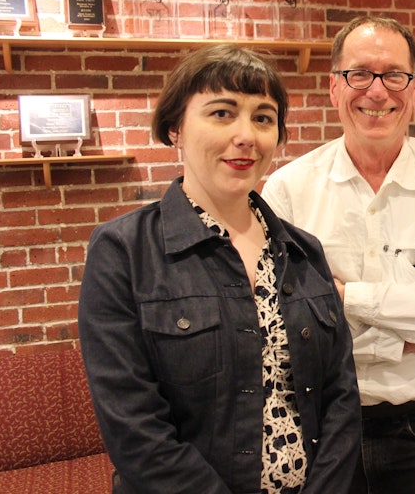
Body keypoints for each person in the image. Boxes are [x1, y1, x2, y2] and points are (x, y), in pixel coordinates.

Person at [78, 44, 361, 494]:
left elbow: (341, 396)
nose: (247, 135)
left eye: (264, 118)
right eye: (223, 113)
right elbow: (132, 425)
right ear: (176, 129)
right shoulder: (123, 250)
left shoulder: (303, 250)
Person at [261, 16, 415, 494]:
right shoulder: (288, 189)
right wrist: (406, 342)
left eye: (394, 74)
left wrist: (344, 297)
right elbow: (286, 324)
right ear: (334, 87)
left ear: (414, 90)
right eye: (359, 74)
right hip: (323, 429)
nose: (377, 91)